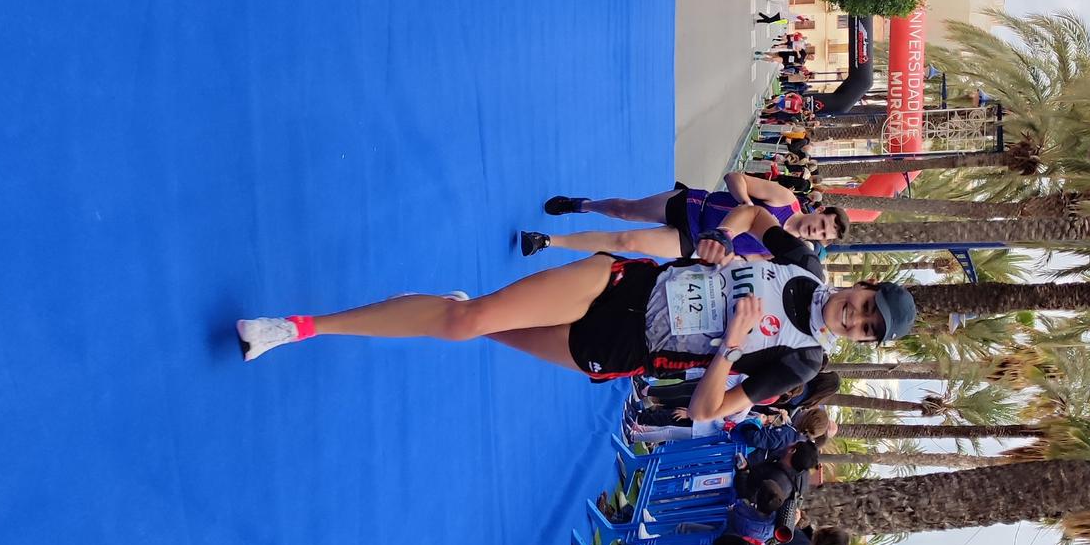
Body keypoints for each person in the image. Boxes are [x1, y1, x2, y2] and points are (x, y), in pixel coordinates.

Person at [237, 236, 918, 427]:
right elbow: (740, 212)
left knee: (480, 330)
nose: (855, 319)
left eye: (865, 330)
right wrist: (716, 244)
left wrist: (734, 346)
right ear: (861, 285)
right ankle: (300, 326)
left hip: (626, 349)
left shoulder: (798, 364)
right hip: (627, 285)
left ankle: (464, 310)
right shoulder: (801, 259)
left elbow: (708, 411)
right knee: (464, 322)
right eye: (866, 306)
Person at [520, 193, 848, 265]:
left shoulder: (782, 248)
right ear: (817, 213)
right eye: (821, 224)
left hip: (691, 241)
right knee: (625, 211)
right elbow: (736, 178)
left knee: (627, 241)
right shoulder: (785, 199)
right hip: (696, 206)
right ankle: (583, 205)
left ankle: (548, 241)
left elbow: (750, 263)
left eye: (821, 234)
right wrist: (748, 209)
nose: (816, 230)